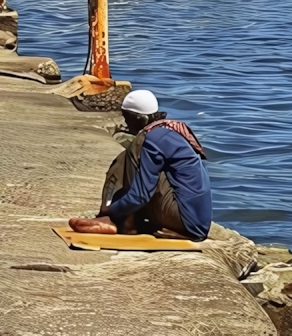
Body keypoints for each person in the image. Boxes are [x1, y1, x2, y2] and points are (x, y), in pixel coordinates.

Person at [69, 90, 212, 242]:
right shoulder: (167, 132)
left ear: (139, 118)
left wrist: (110, 211)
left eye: (127, 117)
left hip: (186, 221)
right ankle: (121, 219)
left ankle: (122, 223)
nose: (125, 123)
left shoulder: (151, 137)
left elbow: (141, 195)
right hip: (197, 223)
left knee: (132, 151)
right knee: (141, 160)